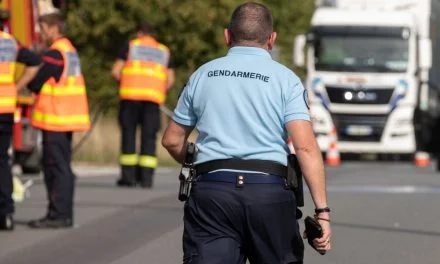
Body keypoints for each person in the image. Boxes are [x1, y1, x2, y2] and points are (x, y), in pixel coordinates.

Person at [162, 2, 332, 263]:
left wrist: (197, 163)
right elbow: (306, 148)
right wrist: (322, 212)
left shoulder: (202, 75)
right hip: (269, 194)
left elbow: (172, 140)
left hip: (212, 195)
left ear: (227, 36)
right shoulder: (286, 80)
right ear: (272, 39)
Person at [26, 12, 90, 229]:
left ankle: (58, 214)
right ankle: (61, 213)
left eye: (42, 28)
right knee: (61, 167)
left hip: (56, 118)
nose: (40, 33)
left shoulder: (55, 53)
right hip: (64, 118)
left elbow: (36, 81)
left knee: (56, 168)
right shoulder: (69, 50)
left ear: (54, 28)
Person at [111, 22, 175, 188]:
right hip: (152, 100)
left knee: (129, 135)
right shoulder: (163, 51)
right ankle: (146, 179)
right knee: (149, 137)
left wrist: (124, 82)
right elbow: (170, 79)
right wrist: (158, 88)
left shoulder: (131, 46)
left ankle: (128, 177)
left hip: (130, 98)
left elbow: (115, 71)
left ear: (139, 33)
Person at [0, 30, 41, 231]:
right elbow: (34, 62)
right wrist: (16, 87)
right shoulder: (9, 42)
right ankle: (5, 214)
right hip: (5, 107)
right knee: (2, 162)